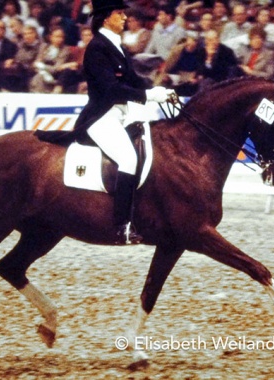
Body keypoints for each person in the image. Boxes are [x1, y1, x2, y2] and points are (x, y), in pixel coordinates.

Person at [35, 0, 173, 244]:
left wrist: (158, 89)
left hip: (121, 114)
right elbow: (111, 89)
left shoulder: (115, 45)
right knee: (128, 158)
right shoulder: (96, 48)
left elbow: (133, 79)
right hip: (101, 116)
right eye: (119, 14)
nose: (124, 18)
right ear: (106, 17)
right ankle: (122, 227)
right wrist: (148, 96)